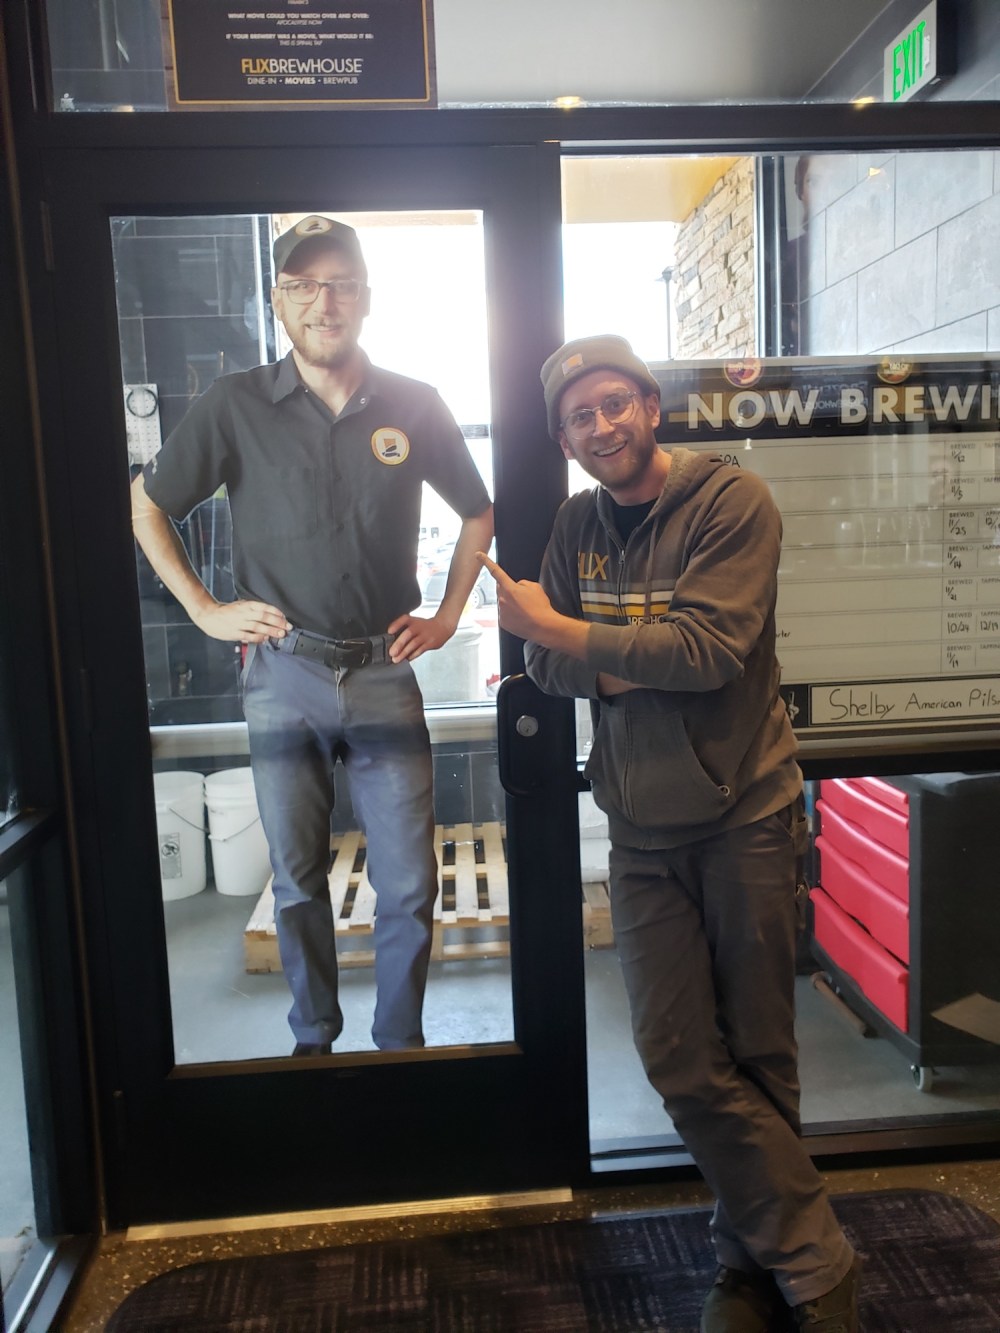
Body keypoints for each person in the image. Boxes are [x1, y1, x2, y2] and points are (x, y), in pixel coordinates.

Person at [478, 334, 860, 1332]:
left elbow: (707, 651)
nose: (601, 426)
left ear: (650, 406)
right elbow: (549, 672)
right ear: (564, 438)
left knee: (759, 1049)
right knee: (679, 1055)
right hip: (638, 827)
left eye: (615, 403)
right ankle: (819, 1255)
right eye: (579, 417)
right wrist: (606, 653)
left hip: (745, 817)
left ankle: (749, 1266)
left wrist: (561, 632)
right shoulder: (575, 523)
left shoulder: (731, 502)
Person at [132, 214, 493, 1056]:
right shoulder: (235, 405)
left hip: (383, 673)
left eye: (339, 284)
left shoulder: (414, 402)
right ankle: (314, 1042)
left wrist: (447, 614)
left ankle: (399, 1044)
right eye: (302, 285)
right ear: (278, 300)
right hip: (282, 678)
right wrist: (204, 609)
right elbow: (147, 505)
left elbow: (477, 511)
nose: (322, 302)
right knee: (296, 881)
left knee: (409, 884)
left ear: (366, 297)